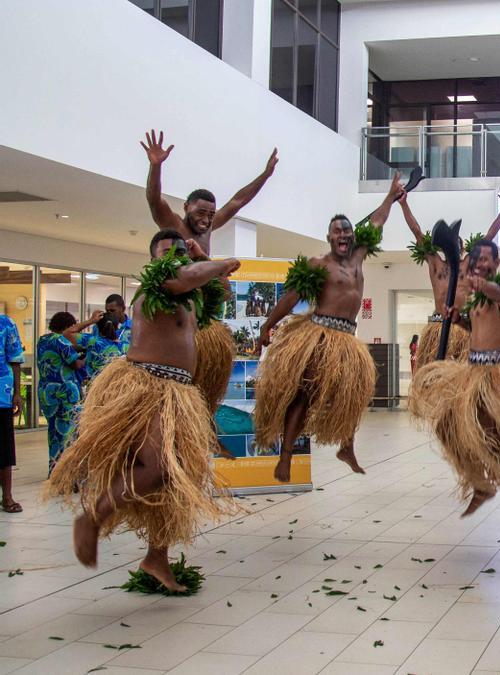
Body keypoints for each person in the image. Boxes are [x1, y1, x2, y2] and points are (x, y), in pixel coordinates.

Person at [46, 230, 239, 591]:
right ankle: (93, 517)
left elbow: (222, 291)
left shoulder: (189, 294)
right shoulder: (159, 285)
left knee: (174, 480)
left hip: (178, 393)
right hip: (147, 387)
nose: (175, 257)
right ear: (153, 260)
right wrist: (218, 262)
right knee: (157, 466)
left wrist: (202, 259)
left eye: (179, 252)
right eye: (167, 252)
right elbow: (186, 276)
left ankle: (157, 557)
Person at [255, 173, 404, 483]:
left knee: (353, 391)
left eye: (347, 230)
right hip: (319, 336)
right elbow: (289, 298)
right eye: (338, 231)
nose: (344, 234)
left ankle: (346, 447)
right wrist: (266, 327)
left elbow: (377, 221)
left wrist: (390, 195)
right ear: (329, 237)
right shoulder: (317, 264)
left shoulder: (359, 256)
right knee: (304, 394)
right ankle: (286, 456)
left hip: (348, 338)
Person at [410, 239, 500, 536]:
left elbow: (495, 292)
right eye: (476, 258)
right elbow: (478, 331)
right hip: (474, 372)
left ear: (497, 264)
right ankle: (480, 483)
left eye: (487, 259)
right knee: (446, 426)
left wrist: (478, 284)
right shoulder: (475, 299)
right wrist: (459, 320)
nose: (480, 262)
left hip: (498, 375)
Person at [141, 129, 277, 414]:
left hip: (201, 313)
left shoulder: (210, 227)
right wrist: (156, 166)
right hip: (176, 305)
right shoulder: (175, 227)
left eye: (210, 215)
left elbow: (238, 201)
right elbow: (155, 201)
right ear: (186, 207)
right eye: (200, 213)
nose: (206, 220)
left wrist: (265, 176)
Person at [402, 187, 500, 372]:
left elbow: (489, 235)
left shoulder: (467, 264)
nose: (456, 246)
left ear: (461, 249)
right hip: (438, 328)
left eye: (458, 244)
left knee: (465, 379)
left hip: (462, 326)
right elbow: (417, 232)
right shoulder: (435, 264)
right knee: (436, 378)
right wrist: (403, 203)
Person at [37, 311, 94, 474]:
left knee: (53, 434)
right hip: (65, 393)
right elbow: (76, 364)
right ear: (68, 327)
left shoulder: (42, 340)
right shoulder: (60, 340)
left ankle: (54, 471)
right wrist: (87, 358)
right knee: (69, 434)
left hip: (47, 394)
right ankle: (68, 475)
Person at [0, 312, 24, 513]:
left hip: (2, 395)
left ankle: (7, 497)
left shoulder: (6, 323)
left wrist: (17, 392)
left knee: (5, 448)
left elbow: (15, 359)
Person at [76, 311, 130, 387]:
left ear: (97, 327)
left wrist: (91, 321)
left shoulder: (92, 342)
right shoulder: (126, 346)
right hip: (116, 390)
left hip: (94, 389)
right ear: (117, 327)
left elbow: (68, 333)